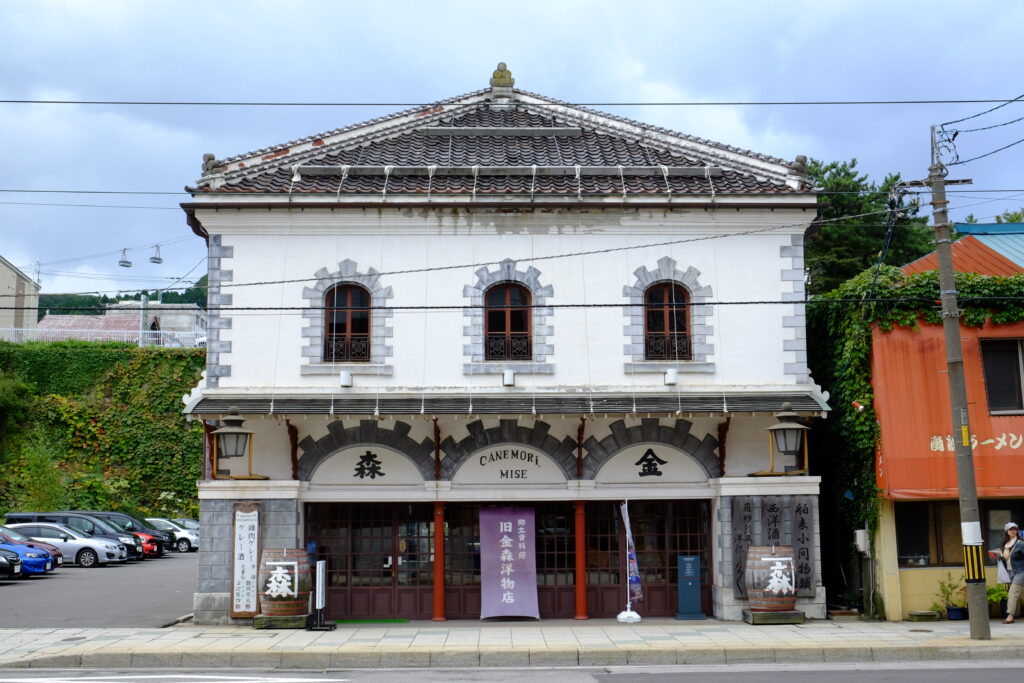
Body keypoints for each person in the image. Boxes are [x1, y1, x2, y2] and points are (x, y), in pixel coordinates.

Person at [1000, 521, 1024, 624]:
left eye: (1015, 529)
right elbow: (1006, 558)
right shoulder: (1006, 544)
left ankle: (1010, 616)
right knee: (1021, 594)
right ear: (1007, 531)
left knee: (1012, 594)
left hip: (1021, 571)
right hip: (1011, 572)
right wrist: (999, 555)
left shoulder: (1021, 543)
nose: (1013, 531)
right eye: (1011, 529)